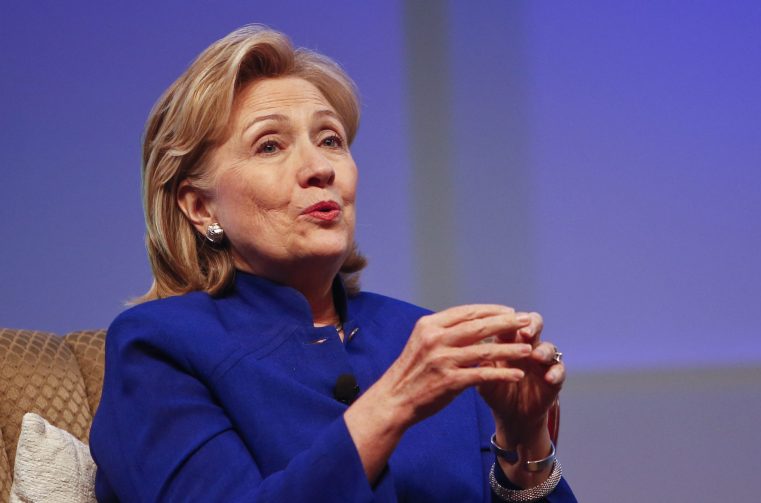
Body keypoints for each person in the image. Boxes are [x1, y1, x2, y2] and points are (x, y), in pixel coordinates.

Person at [89, 25, 577, 502]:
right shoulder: (159, 348)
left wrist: (523, 447)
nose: (320, 168)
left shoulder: (420, 335)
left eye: (329, 140)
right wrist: (393, 403)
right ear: (200, 207)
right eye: (270, 146)